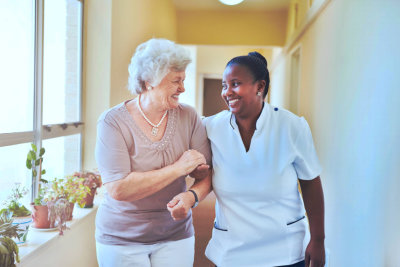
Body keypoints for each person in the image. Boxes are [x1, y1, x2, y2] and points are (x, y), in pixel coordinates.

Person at [95, 38, 212, 267]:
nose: (183, 88)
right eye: (176, 81)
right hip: (121, 239)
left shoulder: (188, 116)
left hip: (176, 234)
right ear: (149, 81)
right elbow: (119, 188)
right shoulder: (112, 122)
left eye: (184, 80)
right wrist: (179, 168)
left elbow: (205, 174)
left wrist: (191, 196)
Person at [203, 52, 325, 267]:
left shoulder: (292, 126)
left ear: (260, 86)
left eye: (235, 84)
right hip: (231, 251)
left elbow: (310, 182)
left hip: (285, 251)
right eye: (224, 85)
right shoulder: (210, 127)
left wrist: (318, 240)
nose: (227, 92)